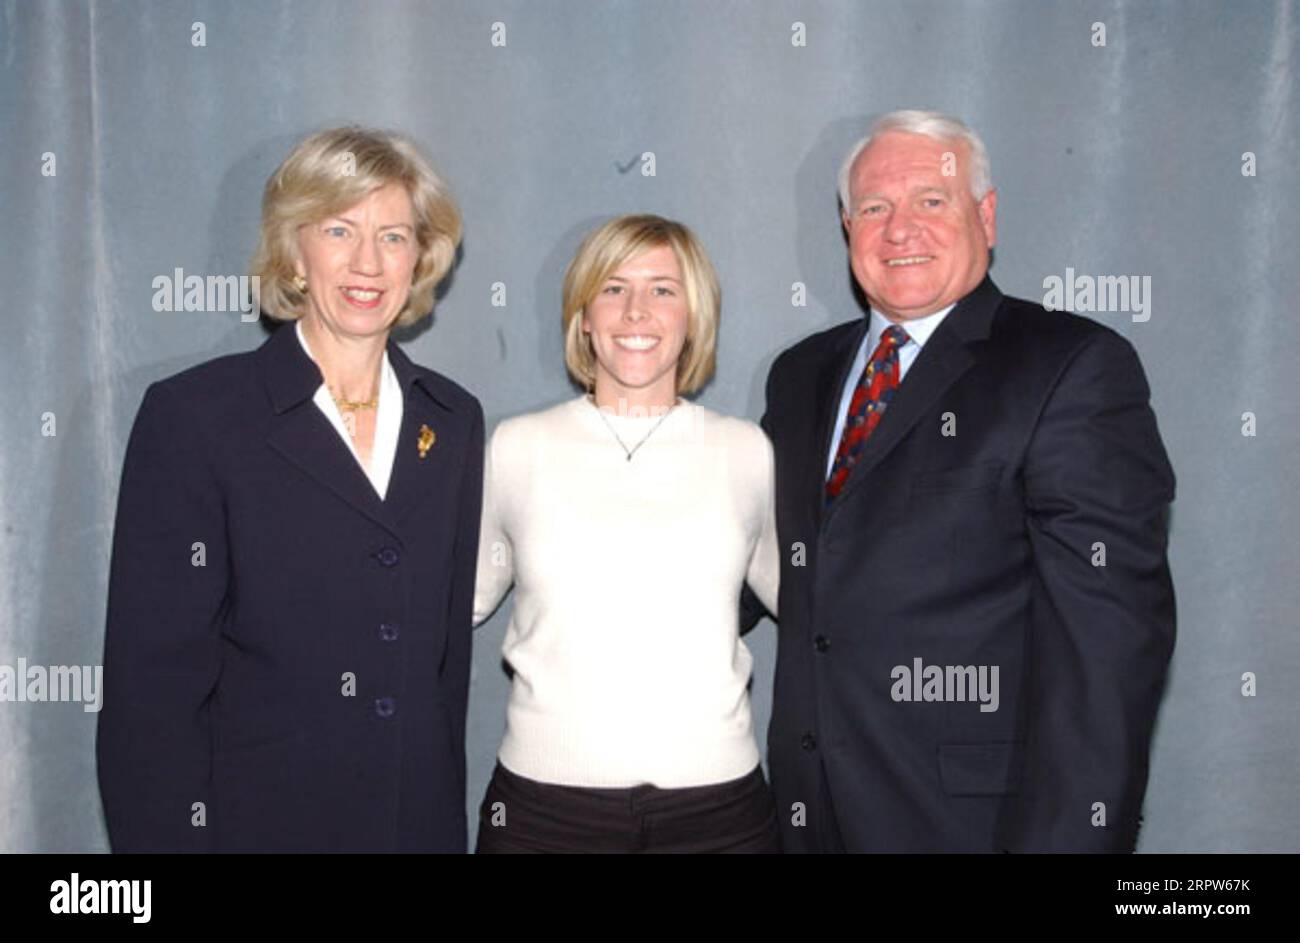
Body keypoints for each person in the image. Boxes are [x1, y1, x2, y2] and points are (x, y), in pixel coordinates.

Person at [750, 110, 1176, 852]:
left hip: (972, 827)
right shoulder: (800, 377)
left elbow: (1107, 657)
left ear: (986, 214)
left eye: (931, 201)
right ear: (847, 227)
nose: (900, 228)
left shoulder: (1070, 367)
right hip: (805, 820)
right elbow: (741, 556)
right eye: (875, 207)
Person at [96, 127, 483, 852]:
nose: (368, 261)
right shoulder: (196, 417)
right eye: (340, 229)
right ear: (294, 251)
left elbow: (443, 678)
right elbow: (151, 696)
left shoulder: (452, 420)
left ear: (420, 259)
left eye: (393, 235)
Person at [473, 214, 780, 853]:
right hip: (542, 816)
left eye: (663, 289)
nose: (636, 310)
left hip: (720, 815)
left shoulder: (747, 451)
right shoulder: (517, 447)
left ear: (693, 316)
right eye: (613, 288)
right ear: (583, 315)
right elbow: (455, 601)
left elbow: (813, 605)